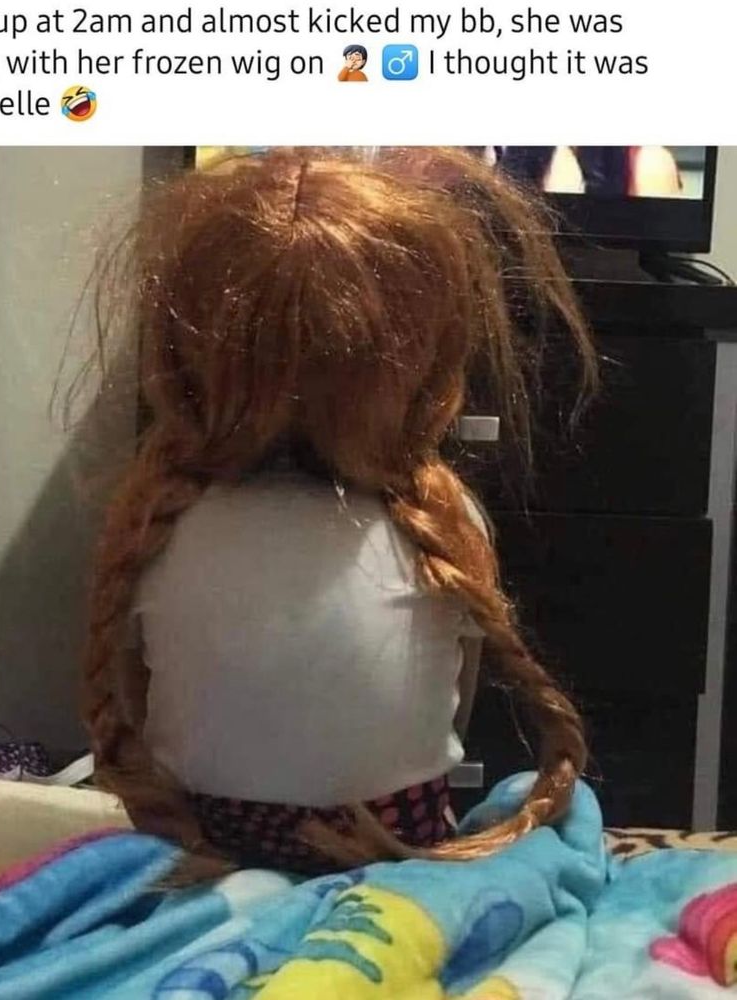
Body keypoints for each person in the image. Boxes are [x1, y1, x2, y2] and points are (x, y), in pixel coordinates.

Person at [80, 148, 598, 880]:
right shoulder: (447, 522)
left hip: (201, 848)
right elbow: (445, 715)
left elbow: (139, 705)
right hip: (392, 851)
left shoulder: (160, 524)